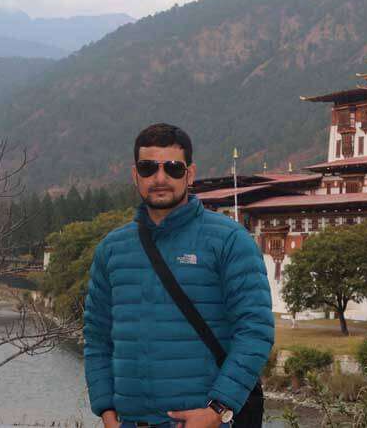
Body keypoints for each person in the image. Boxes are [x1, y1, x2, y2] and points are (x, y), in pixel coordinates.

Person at [83, 123, 274, 428]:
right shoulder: (112, 249)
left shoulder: (229, 241)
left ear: (190, 173)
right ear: (135, 175)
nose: (160, 178)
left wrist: (216, 410)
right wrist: (106, 411)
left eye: (173, 168)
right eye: (148, 168)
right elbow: (96, 338)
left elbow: (255, 331)